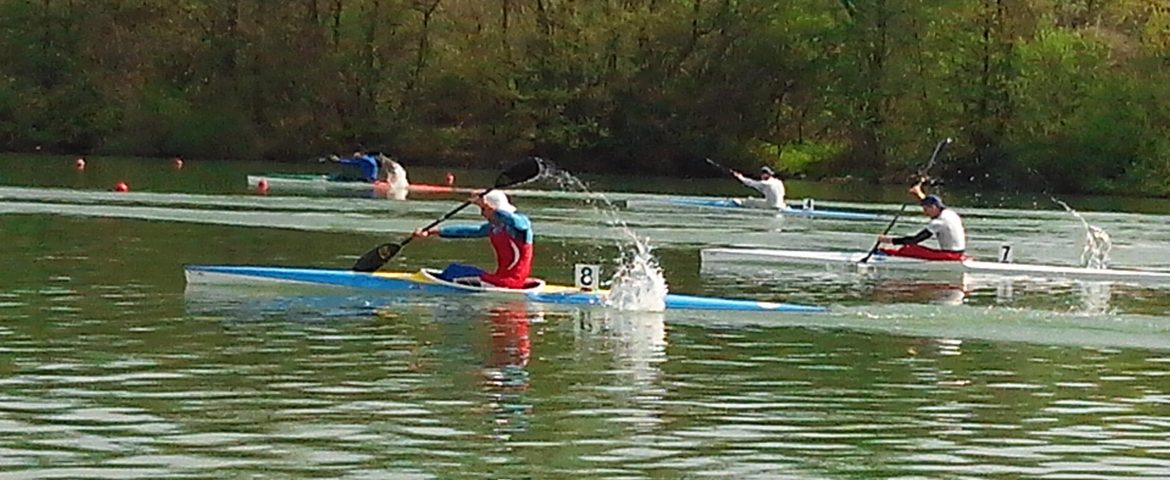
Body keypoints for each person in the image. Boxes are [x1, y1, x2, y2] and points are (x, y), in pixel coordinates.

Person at [411, 190, 534, 289]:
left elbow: (519, 223)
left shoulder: (520, 227)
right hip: (500, 278)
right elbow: (469, 231)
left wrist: (491, 208)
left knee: (453, 273)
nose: (482, 214)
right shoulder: (495, 228)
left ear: (492, 209)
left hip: (508, 283)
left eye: (483, 210)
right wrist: (434, 231)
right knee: (454, 269)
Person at [878, 183, 967, 261]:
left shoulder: (939, 222)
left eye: (925, 209)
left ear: (934, 207)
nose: (924, 213)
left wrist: (889, 240)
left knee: (909, 248)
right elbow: (929, 203)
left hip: (948, 256)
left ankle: (885, 253)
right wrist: (918, 193)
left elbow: (915, 240)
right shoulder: (950, 213)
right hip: (958, 253)